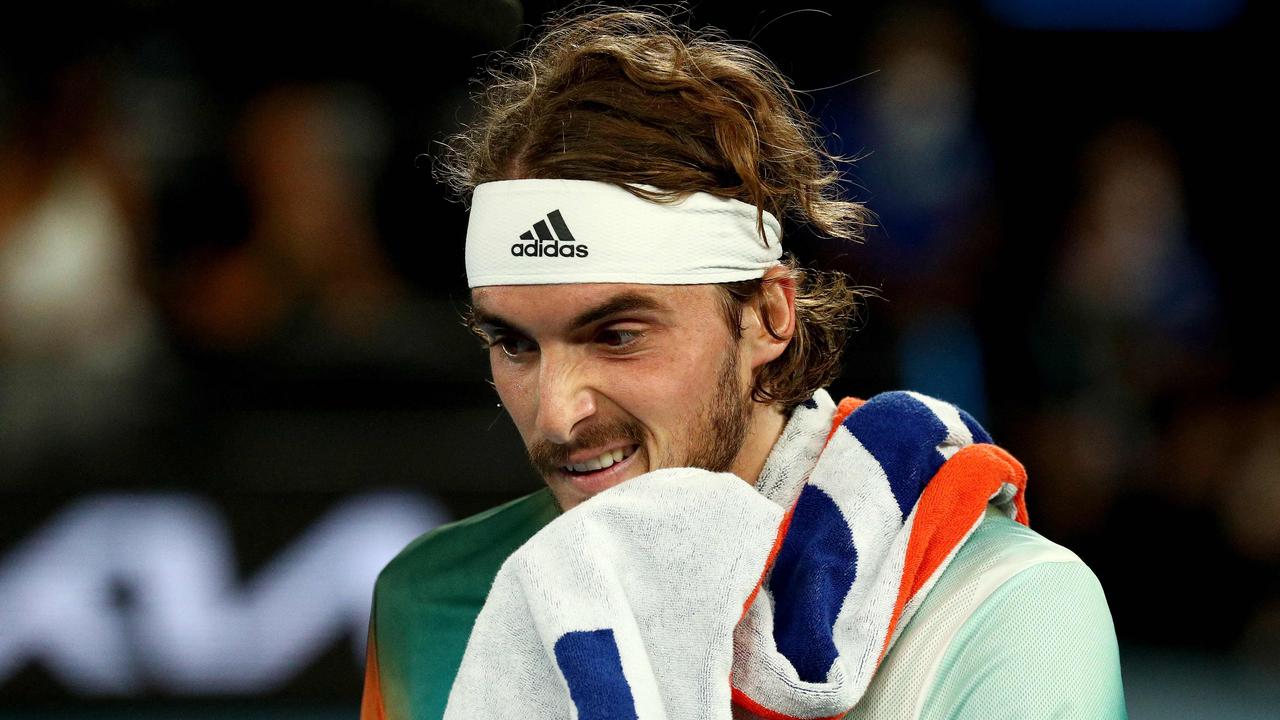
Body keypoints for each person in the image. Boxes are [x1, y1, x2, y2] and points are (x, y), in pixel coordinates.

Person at [361, 8, 1126, 720]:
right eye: (515, 344)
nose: (557, 414)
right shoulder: (429, 602)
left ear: (768, 316)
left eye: (619, 336)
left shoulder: (1006, 606)